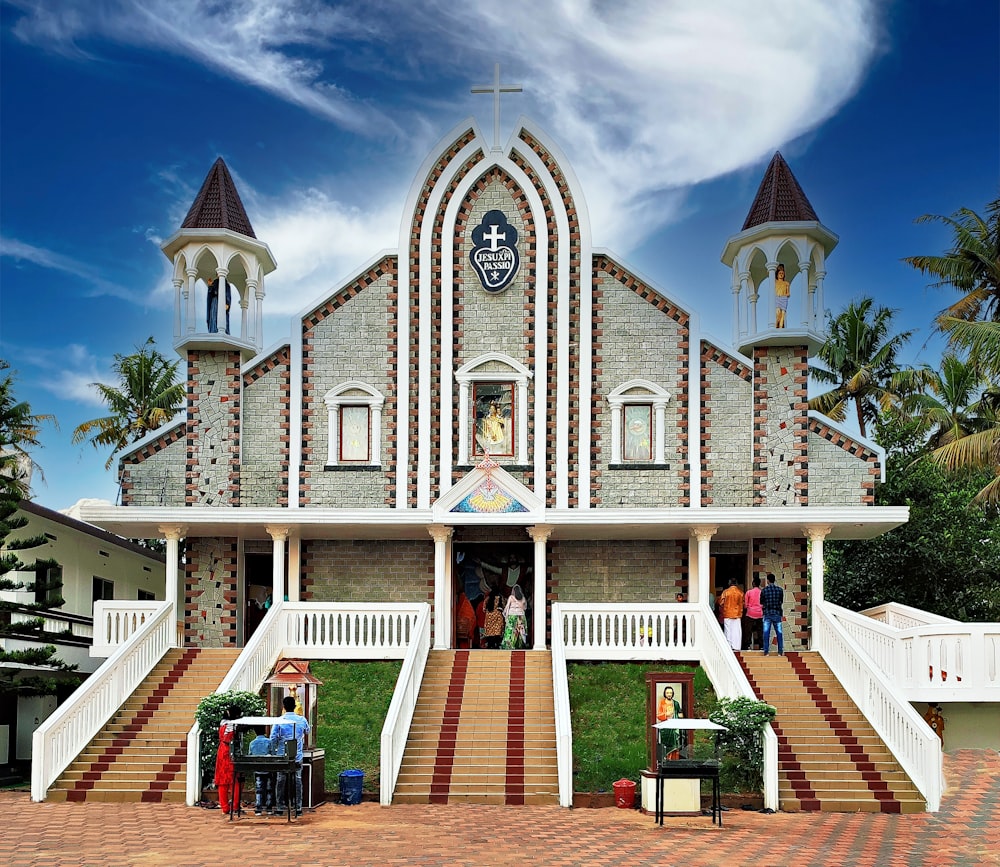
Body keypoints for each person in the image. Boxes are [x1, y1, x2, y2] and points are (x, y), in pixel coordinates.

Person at [270, 695, 311, 818]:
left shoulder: (279, 721)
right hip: (297, 755)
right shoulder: (302, 720)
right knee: (297, 781)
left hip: (282, 756)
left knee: (280, 781)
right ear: (294, 707)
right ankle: (298, 808)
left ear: (283, 707)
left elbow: (273, 738)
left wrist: (274, 750)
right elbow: (307, 731)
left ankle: (279, 807)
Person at [214, 704, 242, 815]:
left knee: (222, 780)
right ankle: (235, 806)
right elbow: (230, 737)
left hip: (222, 750)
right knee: (235, 780)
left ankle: (225, 807)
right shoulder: (232, 725)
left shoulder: (222, 724)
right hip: (230, 751)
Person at [247, 725, 275, 816]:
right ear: (265, 731)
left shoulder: (252, 743)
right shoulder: (269, 742)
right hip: (268, 769)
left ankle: (258, 808)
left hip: (257, 769)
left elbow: (250, 755)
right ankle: (269, 808)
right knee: (269, 789)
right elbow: (273, 754)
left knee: (259, 789)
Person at [656, 686, 683, 762]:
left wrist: (677, 716)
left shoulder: (676, 703)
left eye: (670, 693)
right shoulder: (662, 703)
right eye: (667, 693)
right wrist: (666, 714)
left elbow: (680, 715)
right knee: (666, 747)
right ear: (665, 693)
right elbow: (658, 716)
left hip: (674, 728)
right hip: (665, 729)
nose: (669, 694)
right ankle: (666, 761)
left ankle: (674, 762)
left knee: (675, 746)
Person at [761, 572, 785, 656]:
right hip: (777, 613)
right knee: (779, 632)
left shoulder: (764, 590)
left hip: (767, 613)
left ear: (768, 580)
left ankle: (766, 651)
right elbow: (781, 601)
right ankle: (780, 651)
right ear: (774, 580)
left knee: (766, 633)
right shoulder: (780, 590)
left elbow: (761, 602)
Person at [718, 577, 744, 651]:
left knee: (728, 630)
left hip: (727, 613)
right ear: (736, 583)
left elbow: (721, 603)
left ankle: (728, 646)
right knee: (737, 631)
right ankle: (737, 646)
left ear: (729, 583)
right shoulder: (740, 592)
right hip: (737, 614)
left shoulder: (726, 592)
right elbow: (743, 603)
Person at [501, 584, 528, 649]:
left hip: (512, 616)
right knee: (520, 631)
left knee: (510, 630)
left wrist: (505, 615)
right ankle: (519, 645)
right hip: (520, 616)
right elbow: (524, 608)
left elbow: (507, 606)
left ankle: (509, 645)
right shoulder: (523, 598)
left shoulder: (511, 597)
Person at [743, 576, 764, 651]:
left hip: (750, 613)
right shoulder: (762, 592)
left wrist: (749, 607)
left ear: (753, 583)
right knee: (760, 630)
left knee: (748, 630)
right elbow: (764, 604)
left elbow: (745, 605)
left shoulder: (748, 592)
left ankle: (748, 646)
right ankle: (761, 646)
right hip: (759, 613)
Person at [774, 264, 790, 329]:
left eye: (782, 273)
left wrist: (785, 295)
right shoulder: (775, 282)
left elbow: (788, 293)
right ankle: (776, 326)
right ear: (777, 274)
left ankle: (781, 328)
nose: (781, 274)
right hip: (777, 298)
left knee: (783, 315)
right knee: (778, 314)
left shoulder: (786, 283)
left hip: (784, 299)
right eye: (780, 273)